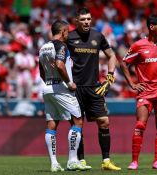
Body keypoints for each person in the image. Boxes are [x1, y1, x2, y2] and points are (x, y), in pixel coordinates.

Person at [120, 15, 157, 170]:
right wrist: (132, 83)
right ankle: (134, 161)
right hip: (145, 91)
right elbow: (124, 64)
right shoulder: (138, 45)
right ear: (152, 27)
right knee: (140, 124)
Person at [66, 7, 121, 171]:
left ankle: (106, 161)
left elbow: (112, 55)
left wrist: (110, 76)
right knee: (78, 124)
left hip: (94, 88)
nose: (86, 22)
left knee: (104, 122)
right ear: (76, 21)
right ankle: (80, 160)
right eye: (83, 19)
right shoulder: (69, 37)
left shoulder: (98, 35)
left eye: (88, 19)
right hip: (75, 88)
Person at [38, 20, 90, 172]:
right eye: (67, 31)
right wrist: (69, 83)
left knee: (51, 124)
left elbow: (41, 71)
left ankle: (54, 164)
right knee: (78, 121)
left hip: (47, 87)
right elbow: (60, 65)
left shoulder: (43, 48)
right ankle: (72, 160)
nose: (68, 34)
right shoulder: (61, 46)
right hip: (61, 88)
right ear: (63, 32)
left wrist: (49, 82)